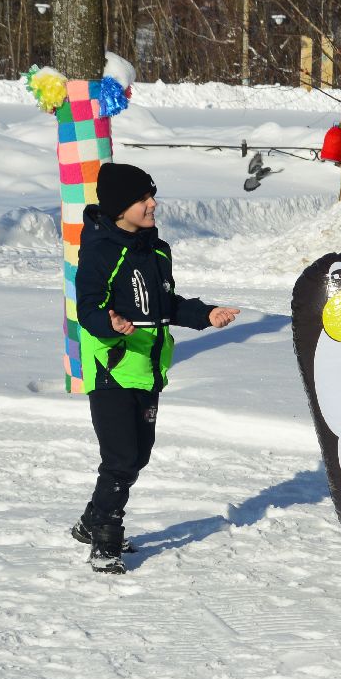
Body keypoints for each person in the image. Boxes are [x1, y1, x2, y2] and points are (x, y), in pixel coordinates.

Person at [69, 162, 239, 573]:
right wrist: (106, 324)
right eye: (144, 198)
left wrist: (206, 314)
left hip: (149, 367)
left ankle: (91, 520)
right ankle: (105, 540)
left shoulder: (156, 249)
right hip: (111, 367)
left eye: (151, 195)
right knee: (121, 457)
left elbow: (167, 304)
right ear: (120, 207)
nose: (153, 203)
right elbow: (88, 307)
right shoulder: (99, 251)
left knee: (139, 454)